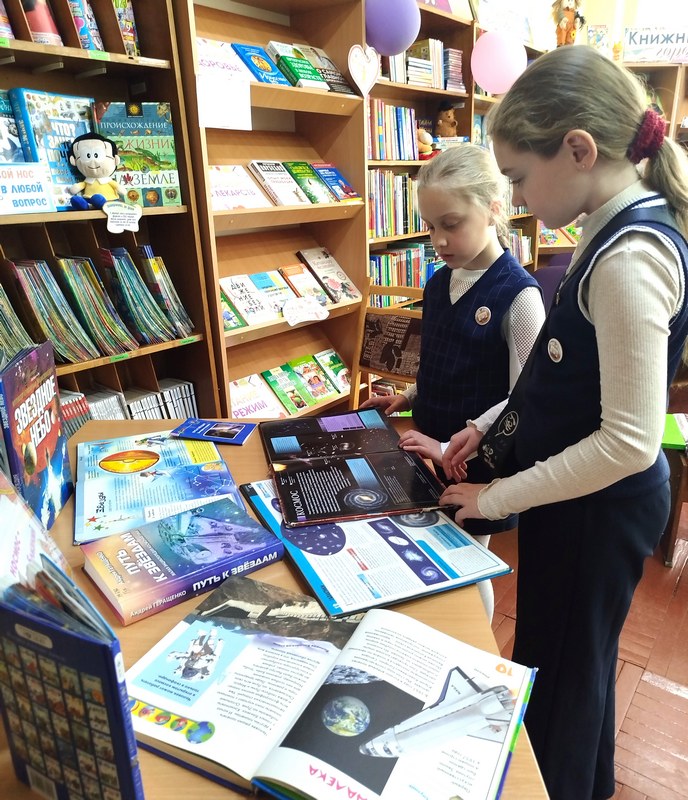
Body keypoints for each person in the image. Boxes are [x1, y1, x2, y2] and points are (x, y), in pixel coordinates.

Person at [438, 46, 688, 800]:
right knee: (568, 666)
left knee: (562, 683)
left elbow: (628, 441)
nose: (514, 197)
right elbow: (561, 373)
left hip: (597, 512)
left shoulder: (629, 257)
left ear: (579, 150)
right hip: (576, 501)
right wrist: (490, 423)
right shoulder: (606, 227)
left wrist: (496, 497)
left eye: (517, 177)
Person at [360, 143, 546, 621]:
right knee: (425, 555)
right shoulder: (439, 282)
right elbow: (442, 361)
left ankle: (472, 646)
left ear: (494, 209)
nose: (439, 240)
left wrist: (451, 444)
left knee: (465, 566)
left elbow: (526, 397)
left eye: (452, 223)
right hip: (427, 447)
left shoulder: (520, 296)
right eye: (430, 226)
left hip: (476, 463)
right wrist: (407, 395)